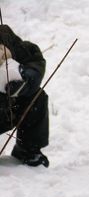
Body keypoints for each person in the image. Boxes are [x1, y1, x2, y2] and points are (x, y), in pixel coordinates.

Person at [0, 24, 49, 167]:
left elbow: (33, 58)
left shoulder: (5, 35)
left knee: (36, 97)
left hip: (7, 110)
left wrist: (26, 79)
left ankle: (28, 150)